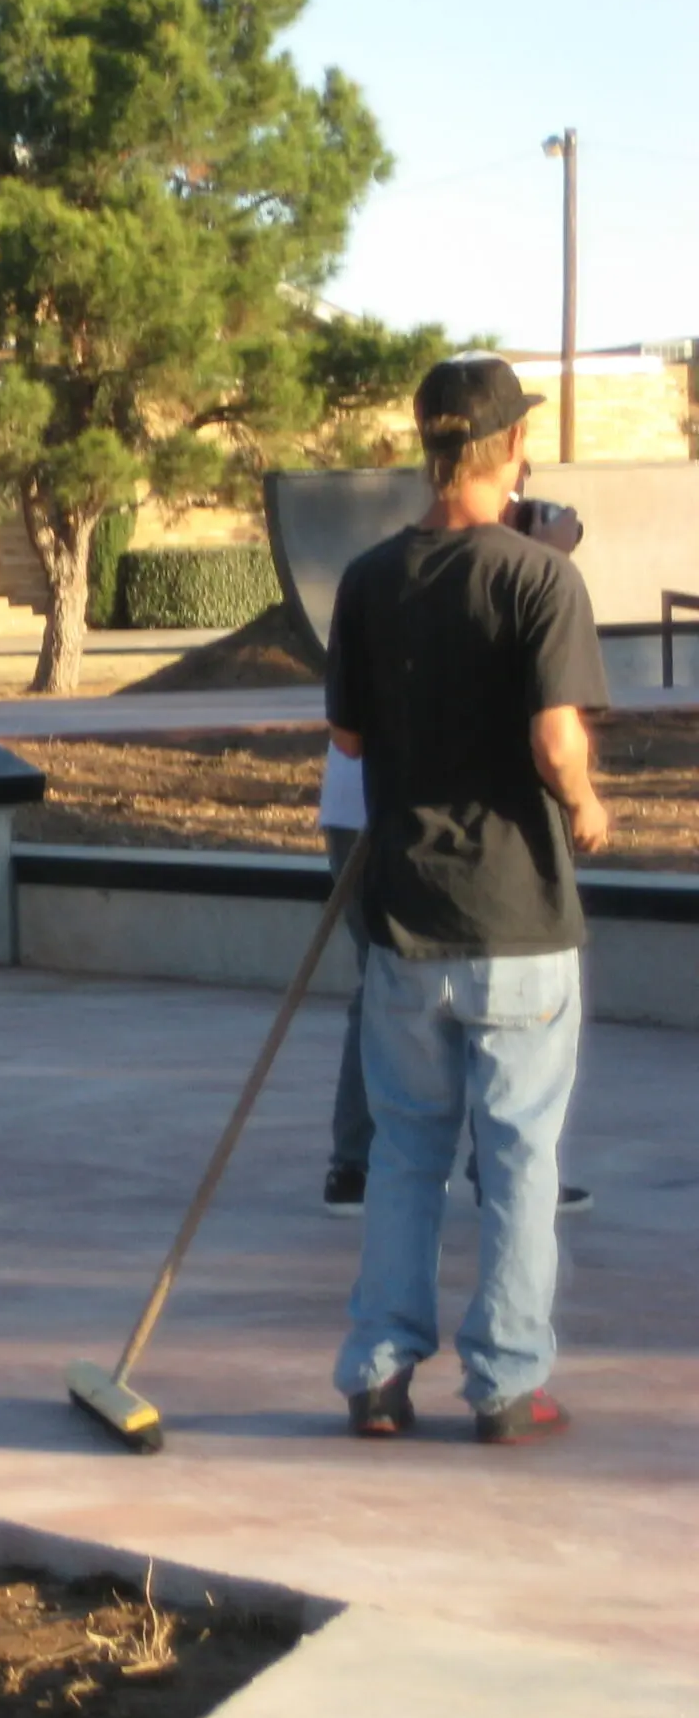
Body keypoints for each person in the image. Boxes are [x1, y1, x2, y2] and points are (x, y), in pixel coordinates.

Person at [327, 353, 610, 1446]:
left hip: (403, 915)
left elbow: (347, 738)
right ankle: (504, 1385)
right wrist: (584, 802)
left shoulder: (365, 579)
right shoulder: (541, 580)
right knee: (520, 1156)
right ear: (506, 450)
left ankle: (378, 1372)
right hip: (517, 919)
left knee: (404, 1153)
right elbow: (553, 737)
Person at [316, 475, 594, 1218]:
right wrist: (551, 561)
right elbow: (543, 722)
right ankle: (381, 1161)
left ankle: (376, 1162)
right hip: (400, 817)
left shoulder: (397, 570)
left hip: (377, 808)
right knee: (427, 991)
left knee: (395, 991)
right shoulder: (500, 574)